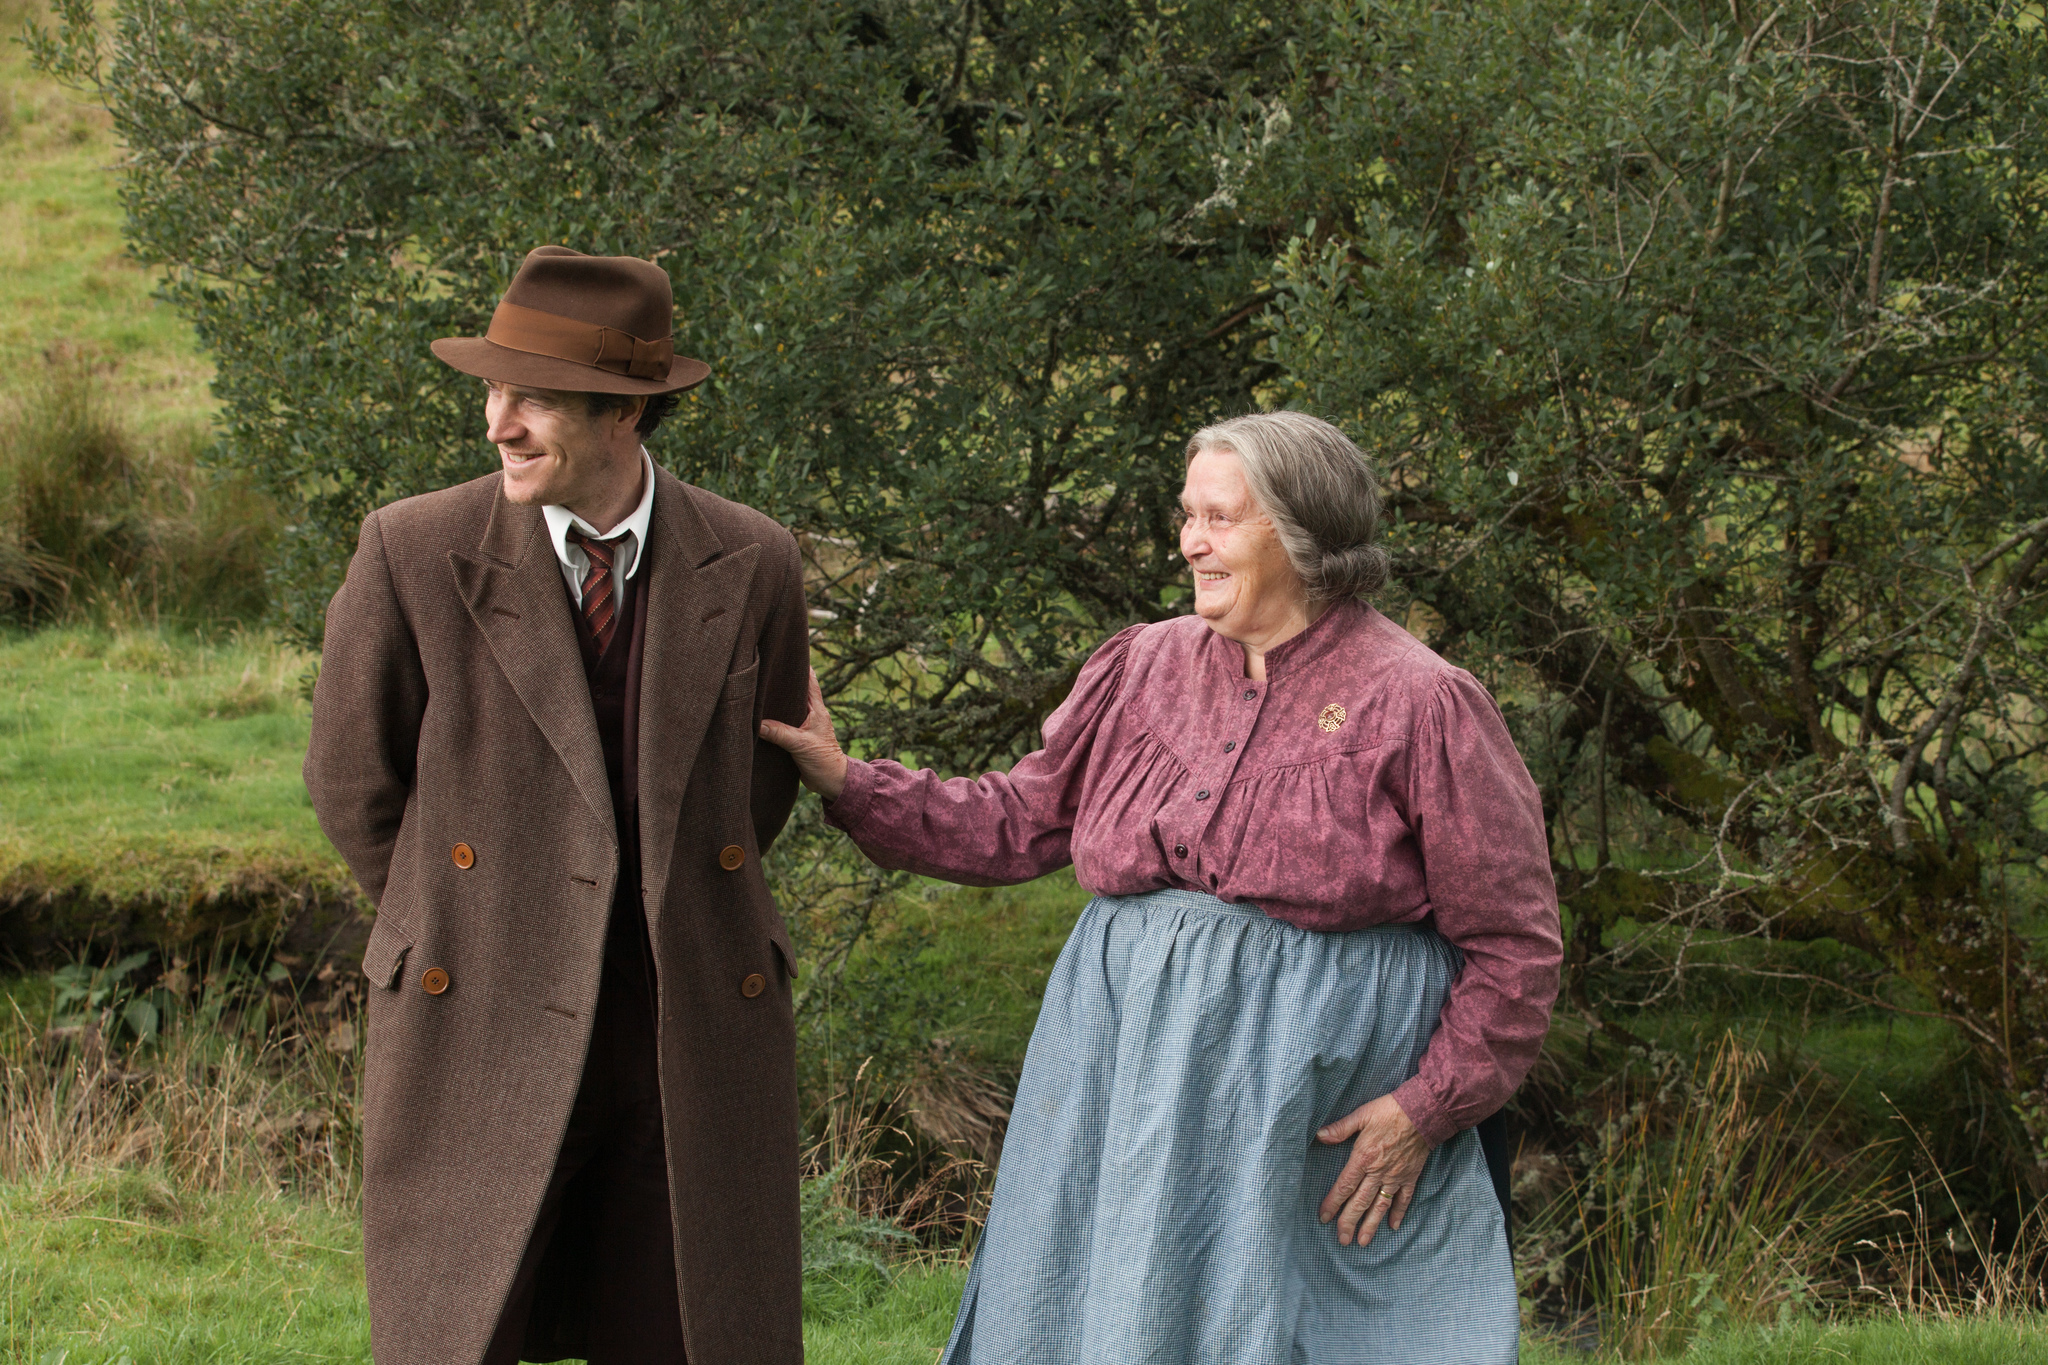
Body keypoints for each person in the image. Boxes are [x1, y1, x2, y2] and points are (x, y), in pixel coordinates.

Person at [762, 411, 1561, 1364]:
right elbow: (1019, 820)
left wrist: (1426, 1106)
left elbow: (1515, 946)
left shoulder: (1423, 702)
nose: (1190, 540)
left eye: (1219, 518)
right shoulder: (1142, 664)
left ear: (1300, 534)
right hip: (1125, 1069)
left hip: (1309, 1112)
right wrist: (850, 781)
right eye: (1188, 515)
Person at [306, 246, 812, 1364]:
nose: (497, 423)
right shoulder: (413, 550)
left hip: (681, 1017)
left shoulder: (755, 558)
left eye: (530, 397)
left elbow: (756, 785)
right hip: (474, 1001)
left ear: (625, 410)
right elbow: (352, 778)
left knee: (685, 1333)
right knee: (462, 1334)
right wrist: (454, 916)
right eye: (491, 391)